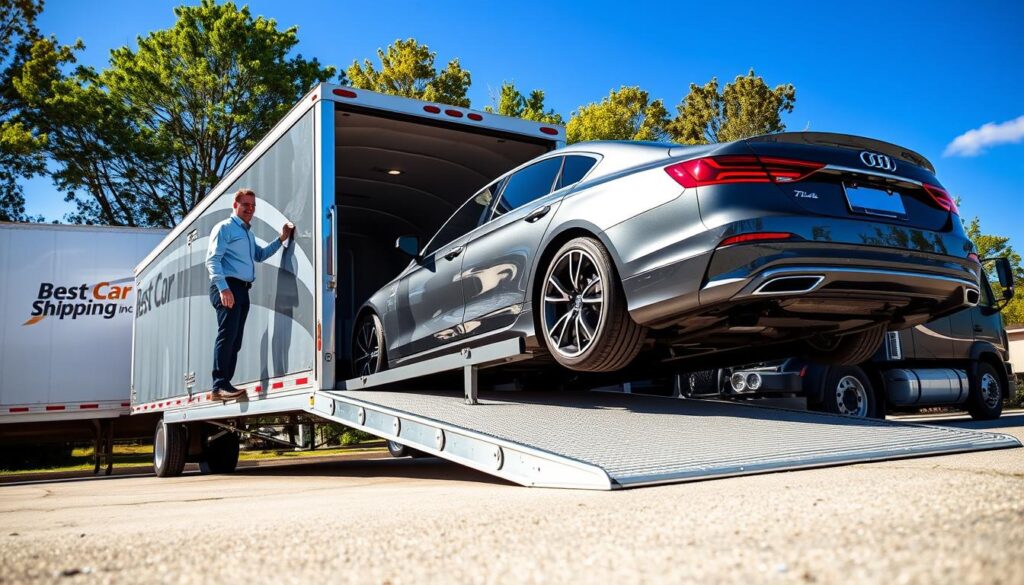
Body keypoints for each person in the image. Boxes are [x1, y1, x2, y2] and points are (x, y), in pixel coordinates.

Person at [205, 188, 294, 401]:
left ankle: (226, 382)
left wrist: (281, 238)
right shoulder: (225, 228)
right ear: (235, 205)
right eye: (246, 205)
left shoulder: (247, 233)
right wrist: (223, 288)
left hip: (243, 289)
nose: (250, 209)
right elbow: (212, 260)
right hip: (228, 287)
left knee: (236, 340)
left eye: (253, 206)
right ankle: (218, 386)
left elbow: (260, 255)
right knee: (227, 336)